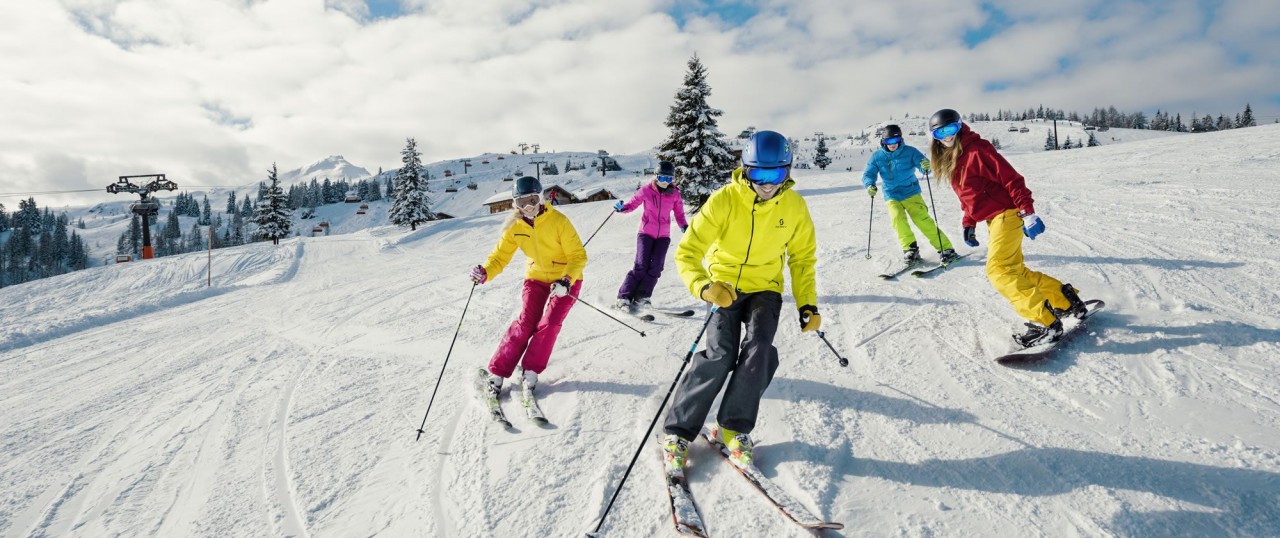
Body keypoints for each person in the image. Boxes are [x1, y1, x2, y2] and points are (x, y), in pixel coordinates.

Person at [660, 130, 820, 474]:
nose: (766, 184)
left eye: (775, 175)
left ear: (787, 171)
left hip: (766, 288)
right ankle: (678, 432)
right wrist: (704, 287)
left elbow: (802, 259)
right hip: (724, 286)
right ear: (745, 170)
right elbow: (688, 252)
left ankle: (732, 427)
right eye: (758, 174)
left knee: (760, 350)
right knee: (720, 353)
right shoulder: (724, 200)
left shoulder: (794, 206)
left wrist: (808, 304)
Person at [927, 108, 1089, 347]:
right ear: (935, 137)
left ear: (960, 126)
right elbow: (968, 196)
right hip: (995, 218)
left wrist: (1028, 212)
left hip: (1008, 213)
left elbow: (1012, 179)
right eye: (941, 133)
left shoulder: (977, 150)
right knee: (1015, 271)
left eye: (951, 129)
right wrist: (969, 222)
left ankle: (1046, 322)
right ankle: (1067, 301)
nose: (948, 137)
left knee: (999, 270)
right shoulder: (953, 158)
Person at [469, 176, 588, 398]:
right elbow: (499, 257)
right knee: (526, 322)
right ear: (515, 204)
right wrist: (485, 272)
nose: (528, 207)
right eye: (522, 202)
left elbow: (578, 255)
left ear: (541, 197)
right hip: (536, 277)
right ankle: (497, 372)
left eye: (532, 200)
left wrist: (566, 280)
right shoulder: (515, 226)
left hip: (565, 280)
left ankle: (530, 371)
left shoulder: (559, 221)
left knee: (550, 323)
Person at [861, 124, 957, 265]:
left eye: (895, 141)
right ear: (883, 141)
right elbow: (868, 174)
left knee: (922, 220)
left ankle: (946, 249)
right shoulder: (877, 157)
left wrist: (925, 167)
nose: (892, 145)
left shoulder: (910, 151)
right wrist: (869, 184)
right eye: (889, 142)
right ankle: (910, 250)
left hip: (911, 192)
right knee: (897, 219)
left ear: (900, 139)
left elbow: (923, 165)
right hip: (891, 194)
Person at [612, 160, 689, 312]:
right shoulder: (646, 190)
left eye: (669, 179)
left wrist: (684, 225)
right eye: (662, 178)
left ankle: (643, 297)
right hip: (646, 233)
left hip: (664, 235)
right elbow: (632, 204)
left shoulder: (674, 194)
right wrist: (622, 208)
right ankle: (624, 297)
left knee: (656, 268)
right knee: (641, 266)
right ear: (656, 176)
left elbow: (679, 213)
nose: (665, 182)